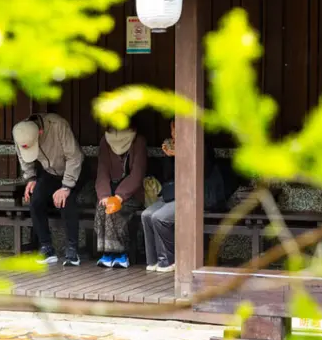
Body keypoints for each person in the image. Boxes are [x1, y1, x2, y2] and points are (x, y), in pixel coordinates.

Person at [142, 119, 227, 273]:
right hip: (176, 195)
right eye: (172, 130)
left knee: (159, 217)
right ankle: (153, 260)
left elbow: (201, 171)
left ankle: (169, 260)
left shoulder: (202, 145)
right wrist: (169, 157)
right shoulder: (174, 148)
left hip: (197, 198)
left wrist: (179, 153)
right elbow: (168, 177)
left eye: (177, 129)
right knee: (147, 214)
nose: (173, 134)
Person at [12, 114, 84, 266]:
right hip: (49, 173)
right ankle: (46, 247)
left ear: (40, 132)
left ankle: (72, 249)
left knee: (66, 201)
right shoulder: (20, 132)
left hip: (73, 170)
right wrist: (31, 178)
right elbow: (22, 156)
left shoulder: (58, 125)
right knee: (35, 201)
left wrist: (66, 187)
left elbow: (75, 157)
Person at [95, 126, 147, 268]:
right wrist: (104, 195)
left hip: (133, 193)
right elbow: (102, 171)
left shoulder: (139, 141)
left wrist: (120, 196)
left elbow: (137, 174)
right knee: (102, 208)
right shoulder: (105, 141)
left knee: (116, 211)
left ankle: (121, 253)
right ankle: (107, 252)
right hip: (110, 189)